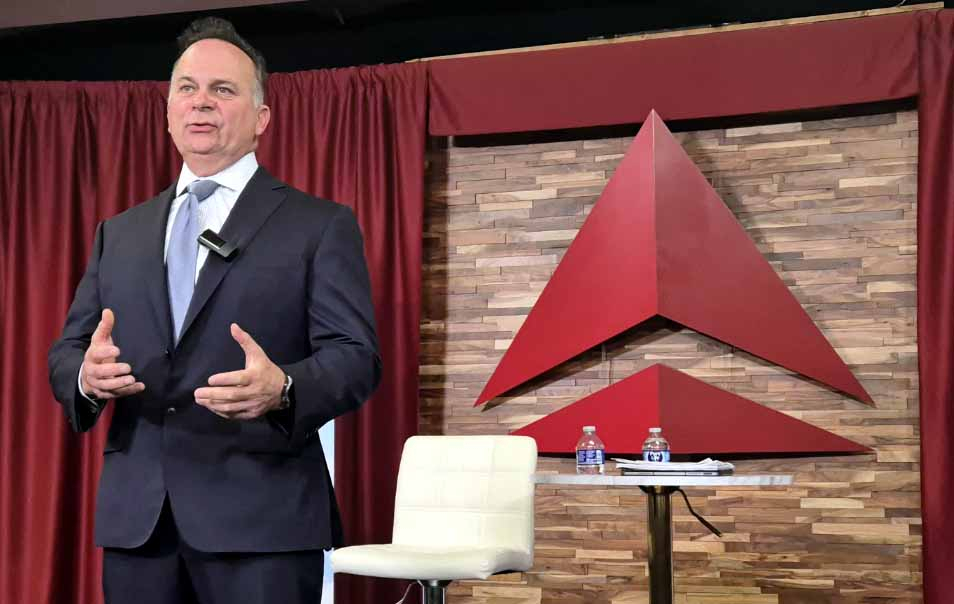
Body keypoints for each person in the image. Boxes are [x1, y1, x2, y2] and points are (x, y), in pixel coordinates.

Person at [47, 16, 380, 604]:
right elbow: (69, 350)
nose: (202, 102)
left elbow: (356, 359)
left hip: (262, 522)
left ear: (261, 118)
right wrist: (85, 375)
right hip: (139, 525)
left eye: (223, 90)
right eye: (187, 88)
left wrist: (284, 388)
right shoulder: (118, 233)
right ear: (168, 109)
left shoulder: (319, 225)